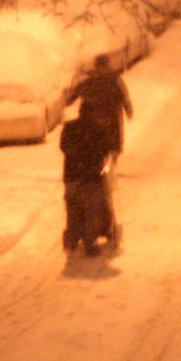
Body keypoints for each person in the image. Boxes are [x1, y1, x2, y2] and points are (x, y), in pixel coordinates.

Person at [60, 110, 119, 255]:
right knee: (92, 211)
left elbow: (64, 147)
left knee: (72, 209)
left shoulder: (69, 128)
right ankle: (89, 242)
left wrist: (76, 157)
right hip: (91, 177)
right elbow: (106, 149)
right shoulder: (98, 129)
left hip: (71, 175)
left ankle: (71, 241)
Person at [72, 53, 131, 154]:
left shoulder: (89, 79)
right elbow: (124, 94)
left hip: (92, 116)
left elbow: (76, 91)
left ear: (96, 65)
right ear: (107, 64)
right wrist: (128, 109)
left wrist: (71, 99)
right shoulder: (115, 78)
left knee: (90, 137)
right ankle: (113, 153)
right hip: (111, 115)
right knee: (115, 138)